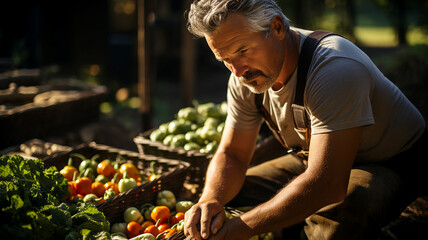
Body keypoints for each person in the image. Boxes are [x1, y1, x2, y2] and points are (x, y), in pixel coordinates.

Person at [183, 0, 427, 239]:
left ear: (277, 28)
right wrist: (211, 198)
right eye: (225, 60)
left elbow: (327, 183)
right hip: (315, 157)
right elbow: (233, 154)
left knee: (339, 210)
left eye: (242, 51)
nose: (237, 71)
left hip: (390, 162)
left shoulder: (334, 68)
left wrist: (244, 226)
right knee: (233, 196)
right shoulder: (245, 77)